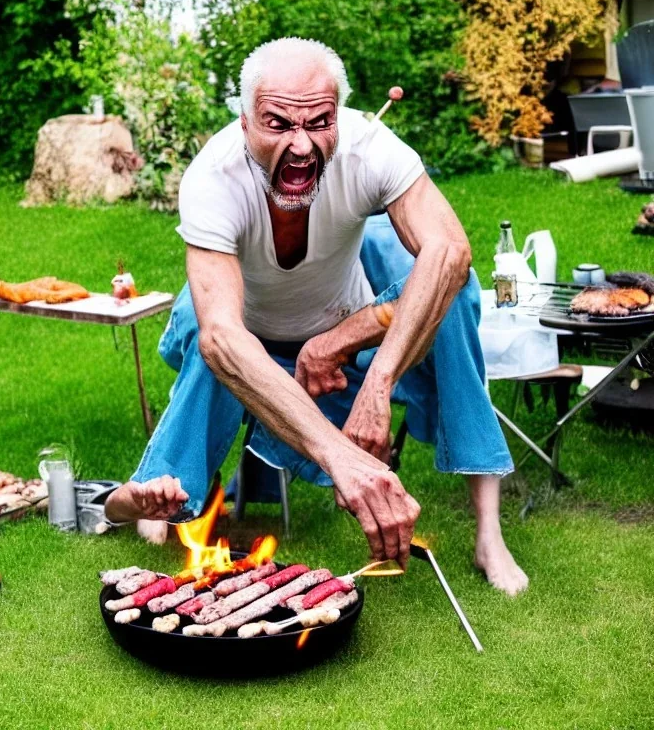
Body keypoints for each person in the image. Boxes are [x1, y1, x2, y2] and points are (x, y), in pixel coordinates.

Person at [105, 38, 528, 595]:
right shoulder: (214, 177)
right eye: (278, 123)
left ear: (339, 118)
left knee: (456, 293)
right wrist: (341, 457)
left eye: (319, 122)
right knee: (219, 353)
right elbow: (223, 337)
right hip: (252, 337)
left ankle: (489, 535)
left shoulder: (368, 147)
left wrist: (378, 381)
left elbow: (448, 252)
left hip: (343, 334)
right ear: (246, 122)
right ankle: (149, 495)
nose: (302, 144)